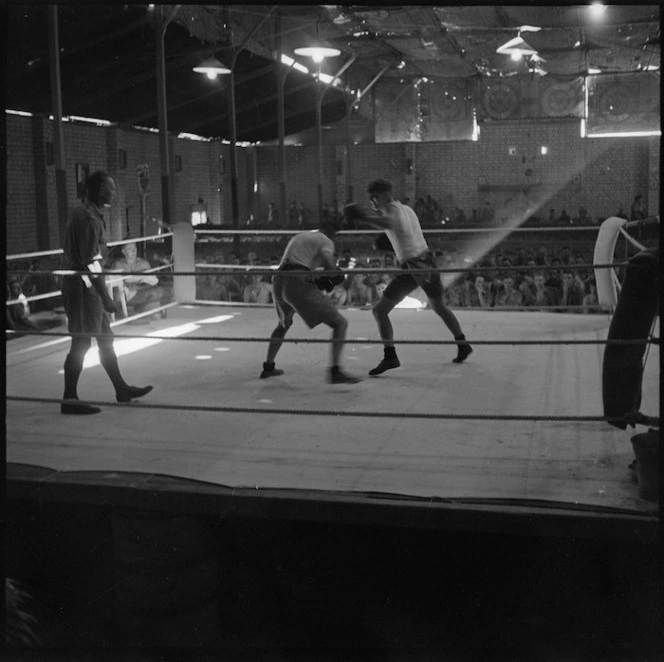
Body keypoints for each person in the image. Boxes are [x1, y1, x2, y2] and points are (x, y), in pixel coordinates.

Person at [345, 178, 472, 376]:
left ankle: (390, 356)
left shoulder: (391, 210)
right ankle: (463, 344)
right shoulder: (407, 209)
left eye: (374, 197)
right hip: (427, 262)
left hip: (414, 267)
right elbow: (399, 230)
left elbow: (389, 222)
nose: (372, 202)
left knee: (379, 311)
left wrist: (363, 217)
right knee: (439, 307)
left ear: (382, 195)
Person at [60, 171, 152, 415]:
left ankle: (121, 388)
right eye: (111, 188)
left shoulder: (86, 214)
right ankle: (69, 398)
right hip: (84, 288)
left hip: (87, 286)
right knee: (81, 341)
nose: (114, 192)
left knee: (105, 338)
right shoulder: (88, 219)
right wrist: (106, 297)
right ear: (101, 191)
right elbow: (91, 263)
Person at [261, 217, 360, 384]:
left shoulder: (302, 236)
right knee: (340, 323)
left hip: (278, 280)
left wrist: (319, 281)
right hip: (296, 281)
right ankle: (336, 372)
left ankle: (268, 367)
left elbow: (300, 264)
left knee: (283, 325)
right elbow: (328, 263)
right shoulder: (326, 241)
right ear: (336, 233)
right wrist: (336, 274)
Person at [112, 242, 165, 317]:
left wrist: (139, 287)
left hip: (140, 293)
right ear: (124, 252)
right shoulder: (118, 264)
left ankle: (140, 308)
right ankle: (121, 312)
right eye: (130, 249)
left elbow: (152, 282)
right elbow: (114, 283)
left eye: (134, 248)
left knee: (159, 291)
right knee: (117, 294)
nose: (133, 251)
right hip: (125, 294)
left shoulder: (144, 263)